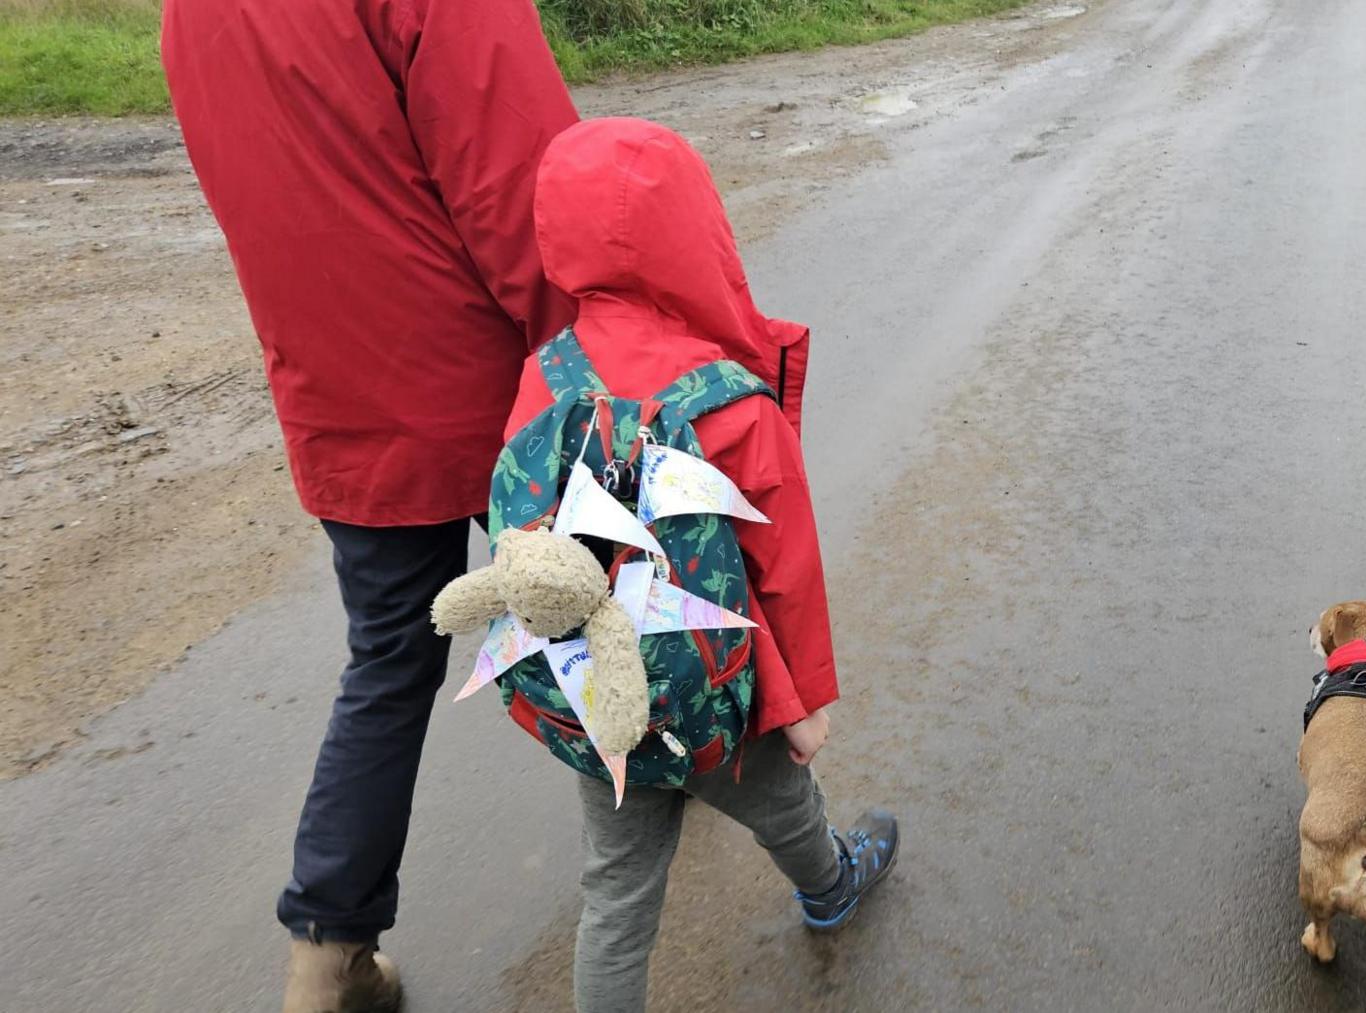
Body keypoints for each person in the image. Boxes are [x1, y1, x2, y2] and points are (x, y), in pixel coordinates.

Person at [160, 1, 578, 1008]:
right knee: (613, 601)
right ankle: (747, 832)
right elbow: (525, 189)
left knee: (390, 653)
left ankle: (328, 957)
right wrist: (587, 367)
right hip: (491, 384)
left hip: (336, 388)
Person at [514, 117, 900, 1013]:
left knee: (614, 890)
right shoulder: (727, 400)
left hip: (599, 688)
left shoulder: (546, 376)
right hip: (727, 687)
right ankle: (832, 885)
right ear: (697, 230)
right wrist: (801, 706)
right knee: (789, 806)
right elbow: (785, 571)